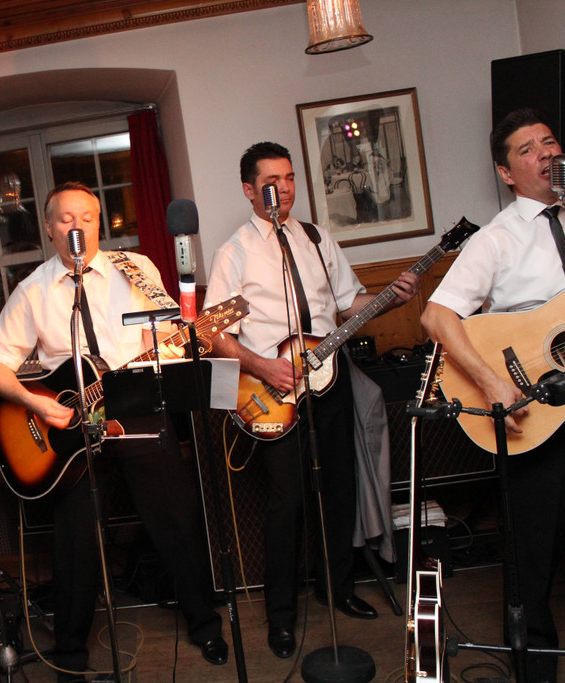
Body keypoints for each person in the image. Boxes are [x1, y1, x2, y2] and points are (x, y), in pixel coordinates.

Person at [0, 181, 225, 681]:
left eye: (87, 218)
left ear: (99, 223)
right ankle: (70, 652)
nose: (78, 227)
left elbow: (171, 330)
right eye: (66, 218)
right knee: (75, 539)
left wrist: (180, 342)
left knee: (175, 517)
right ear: (49, 228)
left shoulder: (135, 268)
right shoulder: (32, 290)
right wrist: (34, 402)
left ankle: (205, 621)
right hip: (70, 429)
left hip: (136, 408)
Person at [421, 108, 565, 682]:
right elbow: (437, 316)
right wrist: (494, 384)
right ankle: (534, 661)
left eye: (550, 142)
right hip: (539, 413)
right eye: (528, 149)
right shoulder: (496, 239)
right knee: (532, 551)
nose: (546, 153)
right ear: (506, 173)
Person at [203, 141, 419, 659]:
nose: (284, 189)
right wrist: (263, 367)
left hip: (332, 378)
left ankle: (336, 588)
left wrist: (390, 298)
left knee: (339, 490)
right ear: (249, 190)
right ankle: (280, 616)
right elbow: (212, 331)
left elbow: (349, 303)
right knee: (288, 504)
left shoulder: (317, 238)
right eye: (271, 181)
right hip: (276, 388)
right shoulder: (235, 252)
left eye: (290, 178)